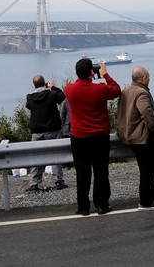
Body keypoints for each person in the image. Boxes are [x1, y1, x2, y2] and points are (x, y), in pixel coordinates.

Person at [65, 59, 121, 216]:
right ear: (92, 72)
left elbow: (77, 84)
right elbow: (117, 90)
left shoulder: (69, 89)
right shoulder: (100, 89)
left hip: (78, 137)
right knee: (101, 171)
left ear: (76, 73)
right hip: (99, 137)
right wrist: (105, 75)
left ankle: (83, 207)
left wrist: (87, 75)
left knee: (82, 173)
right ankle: (102, 205)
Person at [116, 66, 154, 210]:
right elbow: (147, 113)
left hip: (129, 135)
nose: (149, 79)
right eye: (148, 77)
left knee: (146, 168)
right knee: (151, 169)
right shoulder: (142, 93)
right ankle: (146, 201)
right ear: (143, 78)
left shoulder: (126, 91)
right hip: (143, 137)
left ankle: (152, 194)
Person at [25, 75, 68, 191]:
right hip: (52, 129)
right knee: (56, 155)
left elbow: (28, 106)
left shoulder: (30, 98)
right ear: (44, 84)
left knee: (36, 157)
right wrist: (53, 87)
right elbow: (62, 97)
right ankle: (58, 180)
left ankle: (34, 182)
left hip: (37, 131)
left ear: (34, 85)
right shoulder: (51, 94)